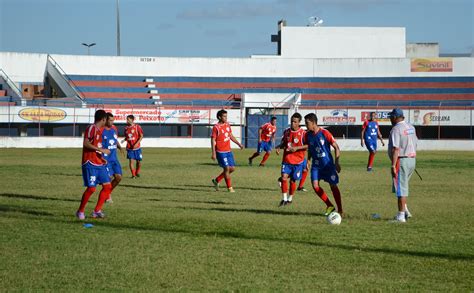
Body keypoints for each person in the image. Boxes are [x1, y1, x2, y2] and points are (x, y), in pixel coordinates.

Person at [303, 113, 343, 216]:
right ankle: (329, 205)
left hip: (327, 164)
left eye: (307, 123)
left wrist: (337, 162)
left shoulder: (325, 133)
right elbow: (310, 149)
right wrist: (308, 160)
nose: (306, 125)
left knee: (333, 185)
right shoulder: (307, 135)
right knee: (315, 186)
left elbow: (336, 147)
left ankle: (340, 210)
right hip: (316, 165)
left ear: (313, 123)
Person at [76, 109, 112, 220]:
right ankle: (80, 211)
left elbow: (96, 147)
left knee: (107, 186)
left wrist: (101, 157)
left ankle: (96, 211)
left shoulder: (99, 131)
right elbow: (86, 143)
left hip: (99, 162)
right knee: (91, 189)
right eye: (107, 119)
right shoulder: (91, 128)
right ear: (103, 119)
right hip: (90, 162)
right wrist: (101, 149)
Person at [388, 108, 418, 223]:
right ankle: (405, 211)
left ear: (395, 117)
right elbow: (415, 143)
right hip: (411, 159)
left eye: (391, 116)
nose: (390, 118)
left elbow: (396, 148)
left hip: (402, 160)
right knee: (401, 186)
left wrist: (393, 165)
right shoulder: (411, 127)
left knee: (401, 189)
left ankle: (401, 216)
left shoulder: (396, 129)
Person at [275, 113, 306, 206]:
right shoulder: (286, 131)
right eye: (292, 121)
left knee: (293, 180)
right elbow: (284, 142)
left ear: (299, 122)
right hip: (287, 160)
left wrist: (297, 148)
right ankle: (284, 199)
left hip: (298, 161)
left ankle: (290, 198)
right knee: (284, 178)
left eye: (295, 122)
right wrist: (279, 147)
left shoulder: (303, 133)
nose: (293, 123)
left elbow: (308, 146)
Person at [211, 109, 244, 192]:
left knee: (232, 168)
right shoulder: (216, 127)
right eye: (224, 116)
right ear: (219, 117)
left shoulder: (228, 125)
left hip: (228, 150)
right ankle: (230, 188)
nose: (226, 118)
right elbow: (212, 140)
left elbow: (230, 136)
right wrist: (213, 153)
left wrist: (238, 144)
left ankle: (217, 180)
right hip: (220, 151)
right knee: (226, 168)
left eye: (226, 116)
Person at [102, 113, 124, 203]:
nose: (112, 122)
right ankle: (107, 196)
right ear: (105, 120)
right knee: (109, 178)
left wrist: (120, 147)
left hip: (114, 158)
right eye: (110, 120)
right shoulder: (101, 130)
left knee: (118, 178)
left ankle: (107, 193)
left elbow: (115, 140)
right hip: (105, 159)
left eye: (113, 120)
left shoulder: (114, 129)